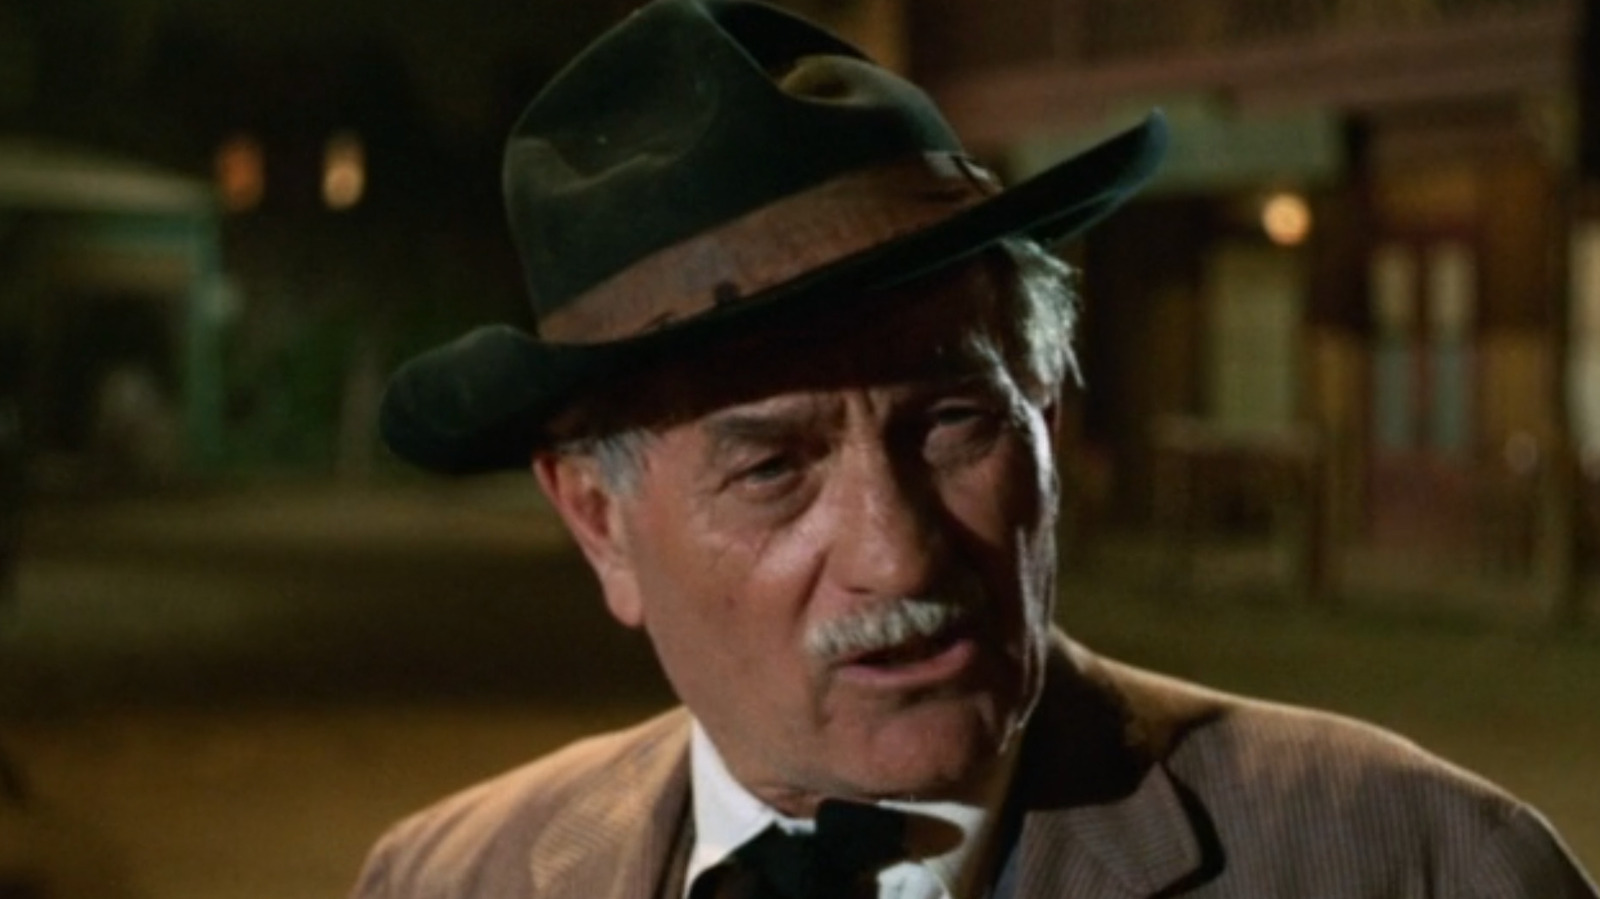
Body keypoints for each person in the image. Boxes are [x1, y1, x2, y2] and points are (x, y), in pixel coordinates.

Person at [353, 1, 1599, 896]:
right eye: (773, 466)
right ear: (598, 520)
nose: (896, 556)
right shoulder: (449, 877)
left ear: (1046, 413)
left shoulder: (1419, 863)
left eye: (955, 421)